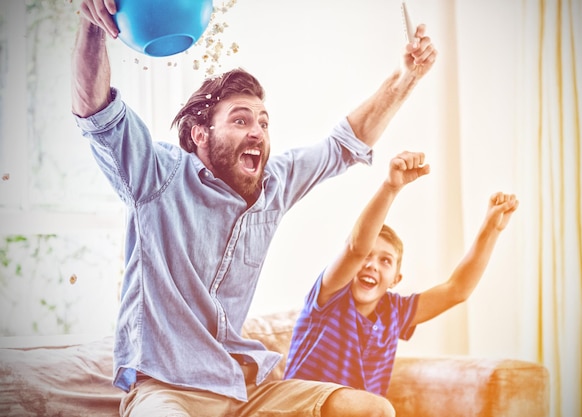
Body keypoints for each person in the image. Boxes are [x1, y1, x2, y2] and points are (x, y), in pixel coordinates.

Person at [70, 1, 437, 416]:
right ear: (200, 134)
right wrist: (92, 23)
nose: (259, 132)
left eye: (264, 122)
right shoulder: (158, 177)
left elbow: (343, 144)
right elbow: (97, 112)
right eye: (241, 120)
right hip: (165, 391)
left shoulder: (274, 185)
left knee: (372, 410)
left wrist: (407, 77)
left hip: (244, 391)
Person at [283, 151, 519, 397]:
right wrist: (390, 187)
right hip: (305, 408)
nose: (372, 265)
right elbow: (355, 248)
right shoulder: (329, 297)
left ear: (396, 279)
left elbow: (457, 290)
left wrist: (491, 228)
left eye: (385, 260)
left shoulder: (395, 312)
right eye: (366, 256)